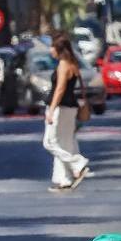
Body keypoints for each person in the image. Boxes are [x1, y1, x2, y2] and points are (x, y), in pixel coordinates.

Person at [44, 33, 90, 192]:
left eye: (52, 47)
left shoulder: (63, 64)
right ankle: (64, 180)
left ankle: (78, 163)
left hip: (60, 108)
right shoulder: (73, 63)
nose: (50, 50)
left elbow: (60, 88)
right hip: (71, 108)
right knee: (64, 143)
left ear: (60, 49)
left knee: (49, 142)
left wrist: (51, 110)